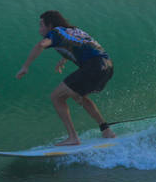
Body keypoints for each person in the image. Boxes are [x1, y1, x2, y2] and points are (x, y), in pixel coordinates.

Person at [16, 10, 117, 146]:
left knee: (56, 97)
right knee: (78, 96)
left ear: (50, 25)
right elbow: (79, 44)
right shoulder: (73, 30)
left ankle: (73, 137)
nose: (39, 28)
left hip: (93, 66)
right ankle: (106, 130)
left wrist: (25, 66)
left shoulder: (55, 33)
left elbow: (41, 45)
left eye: (41, 25)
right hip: (107, 66)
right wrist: (64, 59)